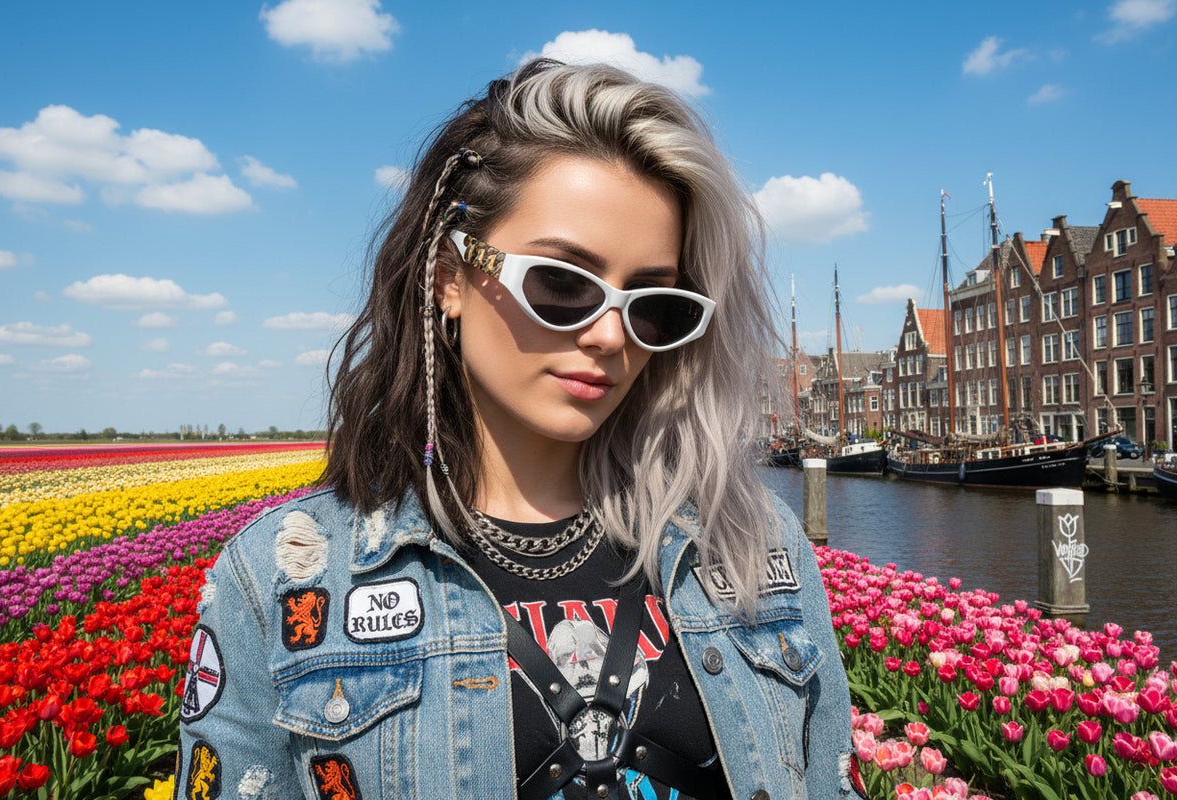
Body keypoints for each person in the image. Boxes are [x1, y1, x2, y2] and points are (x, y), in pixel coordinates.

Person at [177, 59, 867, 800]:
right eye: (563, 283)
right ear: (450, 275)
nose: (610, 336)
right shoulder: (285, 577)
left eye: (652, 304)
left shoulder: (754, 543)